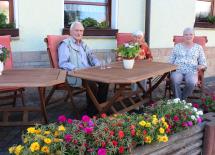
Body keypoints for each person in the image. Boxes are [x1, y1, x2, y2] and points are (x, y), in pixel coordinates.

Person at [58, 21, 109, 116]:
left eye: (81, 31)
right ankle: (91, 111)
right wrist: (76, 69)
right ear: (71, 32)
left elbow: (92, 56)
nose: (79, 33)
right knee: (91, 83)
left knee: (105, 81)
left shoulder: (83, 44)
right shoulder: (65, 44)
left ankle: (101, 107)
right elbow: (63, 63)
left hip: (88, 72)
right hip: (76, 74)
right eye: (77, 30)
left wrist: (97, 64)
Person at [169, 27, 207, 100]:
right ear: (183, 36)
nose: (188, 36)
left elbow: (203, 62)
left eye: (191, 34)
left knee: (192, 82)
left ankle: (182, 99)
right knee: (174, 79)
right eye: (186, 34)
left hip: (192, 71)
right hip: (178, 70)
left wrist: (201, 66)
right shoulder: (177, 47)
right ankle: (179, 99)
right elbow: (171, 60)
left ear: (194, 36)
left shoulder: (198, 47)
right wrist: (168, 67)